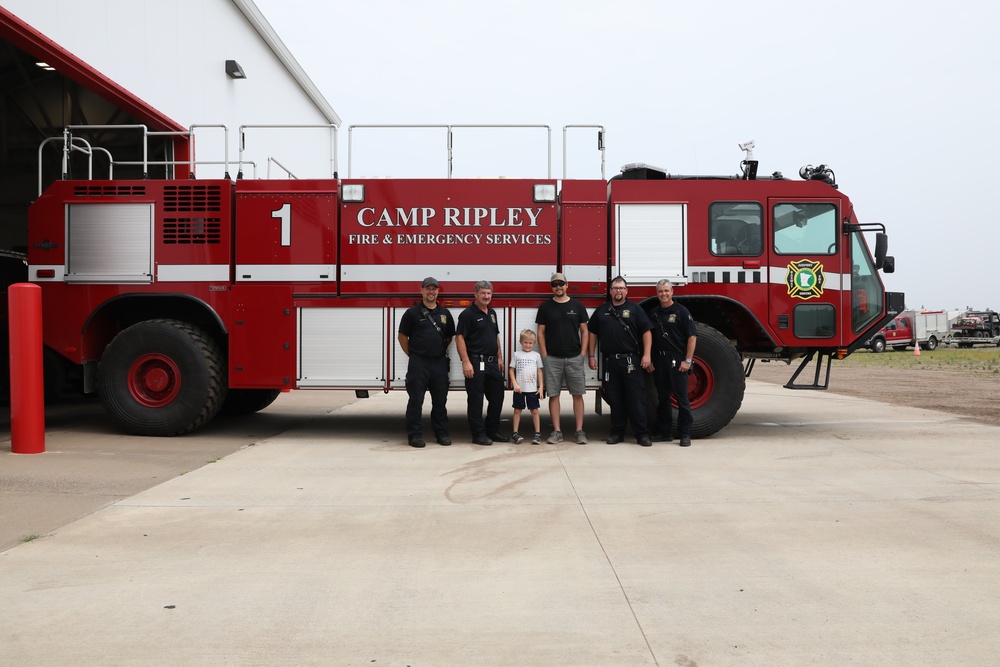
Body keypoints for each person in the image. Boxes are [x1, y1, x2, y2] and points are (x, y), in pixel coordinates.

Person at [587, 276, 654, 446]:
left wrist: (647, 355)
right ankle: (617, 433)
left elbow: (647, 332)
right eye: (615, 288)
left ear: (626, 291)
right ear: (610, 291)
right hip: (610, 363)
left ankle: (642, 434)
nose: (618, 291)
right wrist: (591, 356)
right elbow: (592, 333)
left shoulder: (635, 309)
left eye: (621, 288)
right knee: (615, 400)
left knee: (636, 399)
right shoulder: (602, 310)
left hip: (631, 361)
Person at [397, 277, 456, 448]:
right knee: (416, 400)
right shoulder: (412, 313)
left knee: (440, 401)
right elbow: (402, 337)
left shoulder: (445, 314)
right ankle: (414, 435)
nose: (431, 292)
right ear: (422, 291)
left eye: (434, 289)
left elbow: (449, 336)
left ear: (438, 291)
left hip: (439, 362)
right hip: (418, 363)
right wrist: (414, 355)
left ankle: (442, 433)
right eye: (428, 289)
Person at [535, 272, 589, 445]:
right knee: (554, 395)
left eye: (561, 284)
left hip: (574, 357)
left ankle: (579, 431)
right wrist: (545, 356)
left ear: (567, 285)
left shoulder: (578, 306)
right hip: (553, 359)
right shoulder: (545, 307)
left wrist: (582, 354)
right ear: (552, 287)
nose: (558, 287)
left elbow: (585, 331)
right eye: (554, 284)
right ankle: (557, 431)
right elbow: (540, 333)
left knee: (578, 395)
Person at [456, 280, 507, 446]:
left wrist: (499, 357)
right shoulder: (467, 314)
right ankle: (478, 434)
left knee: (497, 398)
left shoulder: (492, 313)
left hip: (493, 363)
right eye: (483, 293)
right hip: (476, 362)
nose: (486, 296)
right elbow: (460, 337)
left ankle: (492, 431)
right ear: (475, 294)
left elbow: (495, 337)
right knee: (476, 401)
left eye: (489, 293)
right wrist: (466, 362)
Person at [649, 279, 697, 447]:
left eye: (666, 291)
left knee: (682, 398)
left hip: (677, 360)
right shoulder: (654, 313)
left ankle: (685, 434)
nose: (663, 294)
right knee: (663, 399)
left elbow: (692, 337)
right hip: (659, 360)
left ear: (672, 292)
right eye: (660, 291)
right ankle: (665, 433)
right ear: (657, 293)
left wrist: (688, 361)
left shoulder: (682, 311)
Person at [509, 329, 544, 445]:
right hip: (519, 389)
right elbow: (511, 370)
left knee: (534, 410)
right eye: (525, 342)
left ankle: (537, 434)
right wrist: (514, 384)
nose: (528, 345)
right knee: (517, 410)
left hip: (532, 389)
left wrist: (541, 386)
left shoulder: (536, 355)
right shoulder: (516, 354)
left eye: (530, 343)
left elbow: (539, 371)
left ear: (534, 344)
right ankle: (515, 433)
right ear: (520, 342)